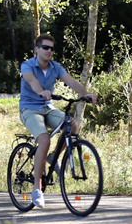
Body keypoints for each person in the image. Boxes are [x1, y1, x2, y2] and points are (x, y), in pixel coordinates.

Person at [19, 34, 97, 208]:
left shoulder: (55, 67)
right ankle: (37, 189)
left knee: (72, 125)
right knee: (44, 139)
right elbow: (31, 81)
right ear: (37, 49)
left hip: (48, 108)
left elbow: (71, 82)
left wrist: (85, 94)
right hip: (29, 108)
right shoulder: (27, 65)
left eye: (52, 49)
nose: (49, 51)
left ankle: (54, 156)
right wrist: (41, 91)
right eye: (45, 47)